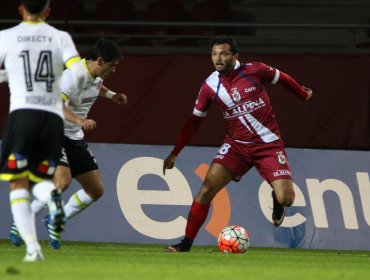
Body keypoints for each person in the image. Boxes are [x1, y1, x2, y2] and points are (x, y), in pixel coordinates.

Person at [162, 36, 313, 252]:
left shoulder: (256, 70)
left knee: (287, 198)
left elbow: (282, 78)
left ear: (235, 56)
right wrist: (175, 152)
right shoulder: (209, 85)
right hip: (236, 146)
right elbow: (193, 123)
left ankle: (277, 200)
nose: (218, 58)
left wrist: (301, 93)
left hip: (268, 145)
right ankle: (186, 243)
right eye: (214, 54)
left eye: (223, 53)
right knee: (206, 190)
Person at [9, 38, 127, 250]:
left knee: (95, 190)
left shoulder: (94, 73)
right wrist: (80, 120)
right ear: (100, 60)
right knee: (62, 182)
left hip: (74, 136)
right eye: (112, 65)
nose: (115, 70)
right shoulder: (72, 76)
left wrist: (112, 95)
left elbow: (97, 86)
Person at [0, 0, 89, 262]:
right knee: (41, 180)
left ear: (20, 9)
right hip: (52, 120)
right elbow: (79, 73)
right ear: (48, 10)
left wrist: (9, 76)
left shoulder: (7, 36)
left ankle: (32, 249)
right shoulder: (60, 37)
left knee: (18, 183)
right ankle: (51, 195)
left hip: (23, 116)